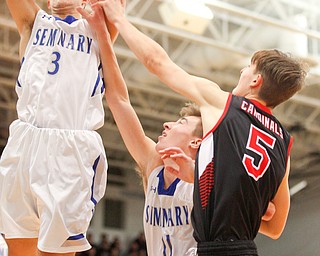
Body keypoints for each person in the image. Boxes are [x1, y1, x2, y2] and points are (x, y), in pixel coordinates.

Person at [91, 1, 308, 255]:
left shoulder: (226, 105)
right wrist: (232, 199)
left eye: (247, 68)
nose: (242, 70)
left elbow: (158, 62)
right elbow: (274, 226)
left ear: (256, 80)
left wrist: (119, 20)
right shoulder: (283, 142)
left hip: (213, 248)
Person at [77, 3, 202, 255]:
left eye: (180, 123)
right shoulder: (153, 164)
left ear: (196, 142)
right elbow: (118, 100)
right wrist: (102, 32)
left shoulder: (208, 180)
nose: (167, 124)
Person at [0, 0, 118, 255]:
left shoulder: (99, 31)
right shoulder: (34, 22)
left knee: (55, 251)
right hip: (24, 142)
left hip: (69, 152)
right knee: (18, 246)